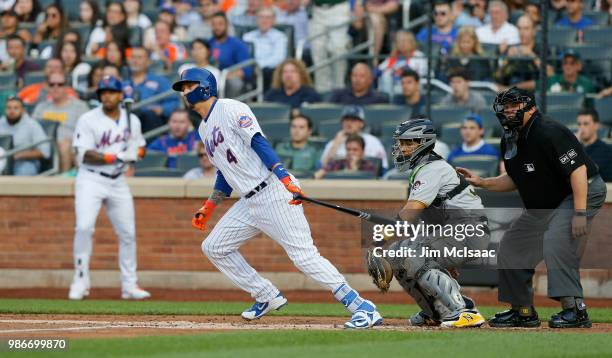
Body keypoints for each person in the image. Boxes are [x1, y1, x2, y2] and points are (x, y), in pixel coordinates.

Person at [171, 67, 383, 328]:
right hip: (248, 202)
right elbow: (225, 172)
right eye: (183, 89)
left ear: (205, 86)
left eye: (188, 86)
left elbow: (259, 142)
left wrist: (284, 179)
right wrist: (209, 206)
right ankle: (266, 294)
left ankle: (362, 306)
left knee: (304, 256)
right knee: (214, 247)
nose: (184, 92)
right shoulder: (204, 129)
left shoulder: (230, 108)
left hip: (272, 189)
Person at [459, 87, 606, 328]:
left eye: (514, 106)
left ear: (531, 108)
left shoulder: (549, 130)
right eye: (505, 106)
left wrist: (579, 212)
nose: (507, 111)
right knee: (511, 245)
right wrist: (483, 182)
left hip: (581, 190)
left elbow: (578, 171)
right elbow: (516, 178)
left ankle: (576, 311)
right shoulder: (510, 137)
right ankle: (523, 311)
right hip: (549, 200)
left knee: (557, 240)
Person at [366, 117, 488, 328]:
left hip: (468, 231)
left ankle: (464, 311)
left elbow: (412, 210)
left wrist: (379, 240)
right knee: (398, 254)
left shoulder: (432, 168)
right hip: (455, 231)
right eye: (401, 143)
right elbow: (432, 219)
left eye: (408, 142)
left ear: (424, 143)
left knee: (414, 254)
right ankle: (434, 312)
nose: (402, 148)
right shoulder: (424, 168)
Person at [69, 75, 150, 301]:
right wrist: (116, 156)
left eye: (111, 91)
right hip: (91, 179)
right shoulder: (88, 119)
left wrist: (136, 154)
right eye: (103, 92)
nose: (107, 95)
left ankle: (130, 285)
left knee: (128, 233)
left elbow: (140, 146)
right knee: (84, 227)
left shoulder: (131, 120)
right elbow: (84, 154)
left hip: (117, 180)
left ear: (120, 95)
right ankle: (80, 280)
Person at [32, 72, 89, 173]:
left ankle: (63, 182)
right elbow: (31, 130)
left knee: (64, 145)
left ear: (66, 87)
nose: (55, 87)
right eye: (52, 84)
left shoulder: (80, 106)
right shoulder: (41, 107)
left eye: (60, 84)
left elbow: (87, 132)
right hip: (45, 145)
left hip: (71, 146)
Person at [128, 46, 180, 134]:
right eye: (133, 57)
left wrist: (162, 109)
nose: (135, 61)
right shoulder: (123, 83)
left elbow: (175, 102)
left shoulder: (159, 81)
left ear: (148, 61)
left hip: (150, 122)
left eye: (139, 57)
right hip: (127, 121)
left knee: (149, 115)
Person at [320, 105, 388, 170]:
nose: (349, 123)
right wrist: (335, 145)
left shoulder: (373, 142)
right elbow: (323, 167)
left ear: (361, 124)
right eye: (346, 120)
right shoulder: (333, 143)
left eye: (353, 120)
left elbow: (382, 167)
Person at [0, 97, 50, 175]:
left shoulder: (32, 125)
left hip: (25, 162)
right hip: (2, 161)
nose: (12, 111)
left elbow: (45, 152)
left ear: (23, 110)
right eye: (9, 108)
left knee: (24, 171)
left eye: (16, 108)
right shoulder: (1, 123)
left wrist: (18, 155)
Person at [309, 0, 351, 93]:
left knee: (338, 48)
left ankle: (339, 88)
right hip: (317, 9)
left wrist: (359, 4)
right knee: (318, 51)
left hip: (338, 7)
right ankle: (321, 90)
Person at [208, 11, 252, 98]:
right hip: (210, 79)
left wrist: (224, 77)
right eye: (214, 24)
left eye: (220, 24)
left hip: (228, 79)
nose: (217, 27)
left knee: (235, 83)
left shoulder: (237, 44)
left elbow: (246, 70)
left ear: (227, 25)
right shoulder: (208, 44)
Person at [242, 7, 287, 90]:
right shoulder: (247, 37)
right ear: (256, 19)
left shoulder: (280, 37)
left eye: (268, 17)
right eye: (261, 17)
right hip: (249, 68)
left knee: (268, 72)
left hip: (268, 70)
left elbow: (278, 59)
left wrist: (258, 66)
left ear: (273, 20)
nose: (264, 20)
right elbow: (243, 56)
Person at [377, 30, 427, 96]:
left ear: (412, 42)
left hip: (410, 91)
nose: (402, 44)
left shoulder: (419, 56)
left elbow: (423, 73)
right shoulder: (393, 57)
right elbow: (379, 70)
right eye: (399, 41)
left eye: (404, 41)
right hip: (389, 91)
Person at [314, 134, 378, 179]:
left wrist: (354, 166)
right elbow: (319, 174)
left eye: (355, 150)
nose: (351, 152)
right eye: (348, 149)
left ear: (362, 151)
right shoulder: (337, 163)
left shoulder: (369, 166)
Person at [576, 108, 612, 182]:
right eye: (579, 124)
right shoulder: (576, 149)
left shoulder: (606, 151)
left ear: (596, 125)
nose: (581, 128)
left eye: (586, 124)